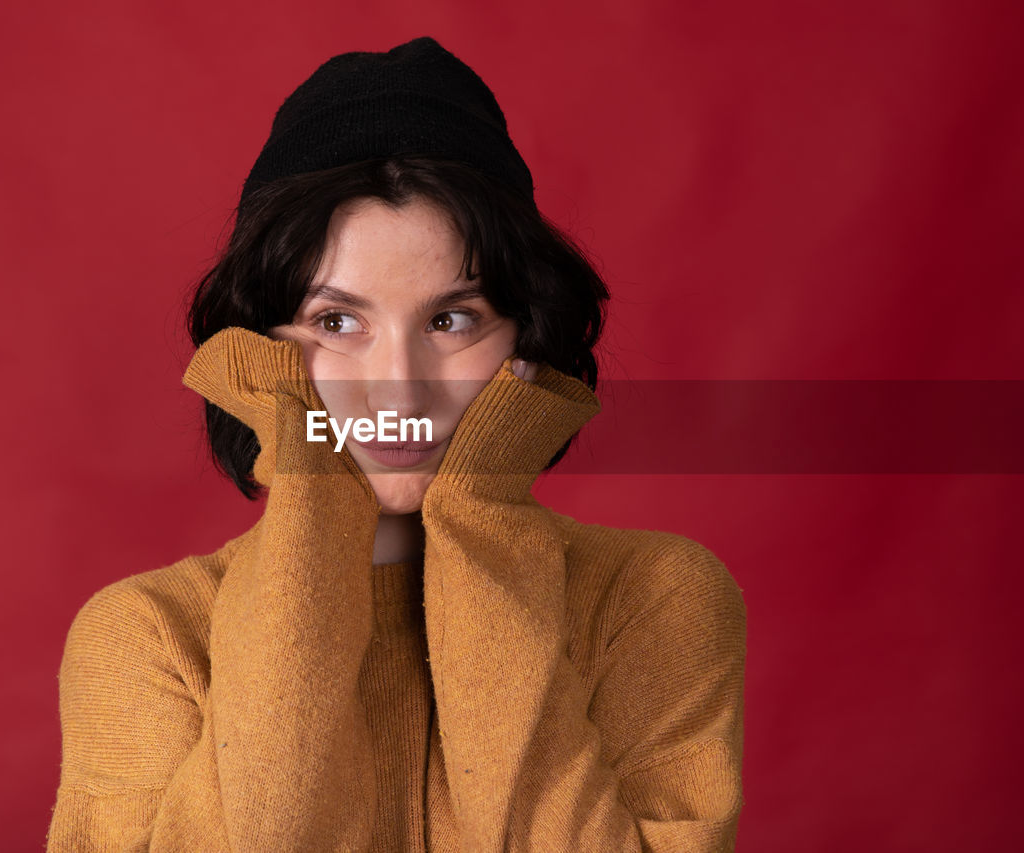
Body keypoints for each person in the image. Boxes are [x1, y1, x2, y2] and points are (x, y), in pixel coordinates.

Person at [45, 36, 746, 852]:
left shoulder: (651, 600)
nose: (399, 389)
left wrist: (479, 518)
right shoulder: (150, 635)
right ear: (255, 352)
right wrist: (313, 493)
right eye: (335, 322)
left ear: (528, 336)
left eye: (451, 320)